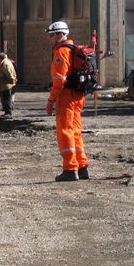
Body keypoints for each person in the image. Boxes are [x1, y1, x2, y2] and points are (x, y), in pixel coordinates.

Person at [45, 21, 89, 182]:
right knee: (76, 131)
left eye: (51, 35)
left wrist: (51, 100)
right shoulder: (72, 50)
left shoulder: (62, 52)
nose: (50, 39)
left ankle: (70, 169)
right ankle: (82, 166)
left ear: (59, 35)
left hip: (66, 97)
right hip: (78, 96)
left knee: (65, 132)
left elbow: (59, 80)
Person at [0, 52, 17, 117]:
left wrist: (12, 81)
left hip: (6, 85)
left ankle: (8, 113)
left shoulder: (5, 64)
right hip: (5, 84)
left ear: (0, 58)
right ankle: (7, 112)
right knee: (6, 98)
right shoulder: (6, 62)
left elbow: (9, 74)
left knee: (7, 99)